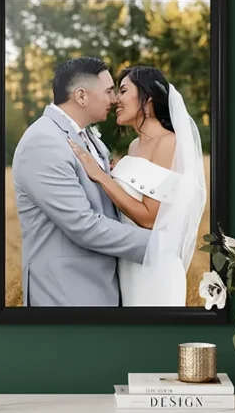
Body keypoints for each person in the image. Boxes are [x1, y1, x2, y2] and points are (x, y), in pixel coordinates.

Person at [12, 56, 152, 307]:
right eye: (109, 91)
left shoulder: (88, 137)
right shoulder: (43, 142)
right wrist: (158, 244)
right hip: (65, 294)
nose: (114, 99)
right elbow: (83, 225)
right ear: (81, 96)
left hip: (100, 288)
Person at [68, 65, 206, 306]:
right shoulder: (133, 147)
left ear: (148, 97)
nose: (115, 99)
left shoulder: (169, 143)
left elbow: (150, 218)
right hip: (128, 263)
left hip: (155, 269)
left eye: (122, 91)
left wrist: (101, 177)